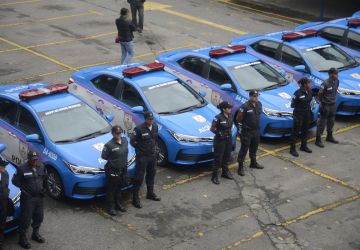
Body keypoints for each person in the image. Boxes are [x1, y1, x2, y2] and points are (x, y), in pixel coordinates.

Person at [13, 151, 47, 249]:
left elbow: (44, 178)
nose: (35, 162)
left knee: (39, 217)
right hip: (28, 198)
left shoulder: (41, 166)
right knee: (25, 220)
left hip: (39, 198)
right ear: (29, 159)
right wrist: (24, 189)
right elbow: (15, 181)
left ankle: (35, 234)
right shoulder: (21, 168)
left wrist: (44, 189)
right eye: (33, 160)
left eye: (36, 159)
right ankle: (22, 239)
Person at [130, 112, 160, 209]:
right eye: (149, 119)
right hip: (142, 157)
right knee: (139, 178)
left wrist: (155, 149)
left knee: (151, 175)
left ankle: (150, 193)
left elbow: (155, 139)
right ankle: (135, 199)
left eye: (152, 119)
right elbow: (132, 141)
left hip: (152, 155)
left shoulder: (155, 127)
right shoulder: (138, 129)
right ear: (145, 119)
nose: (151, 121)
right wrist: (140, 149)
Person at [101, 125, 129, 216]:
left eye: (120, 133)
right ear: (113, 134)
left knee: (119, 188)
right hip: (112, 170)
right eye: (117, 133)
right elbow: (104, 156)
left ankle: (118, 204)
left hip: (123, 169)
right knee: (111, 190)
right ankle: (110, 207)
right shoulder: (109, 145)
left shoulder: (125, 141)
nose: (119, 135)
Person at [236, 90, 264, 176]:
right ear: (250, 97)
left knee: (254, 147)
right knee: (244, 149)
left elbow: (259, 114)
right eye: (254, 96)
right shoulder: (244, 106)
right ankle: (240, 166)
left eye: (257, 96)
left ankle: (253, 162)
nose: (256, 98)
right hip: (247, 131)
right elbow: (238, 119)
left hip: (256, 131)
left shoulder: (259, 104)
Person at [210, 101, 234, 185]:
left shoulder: (230, 116)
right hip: (220, 141)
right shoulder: (218, 117)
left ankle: (225, 172)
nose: (230, 109)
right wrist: (220, 133)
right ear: (224, 109)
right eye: (228, 108)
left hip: (228, 139)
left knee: (227, 156)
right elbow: (212, 129)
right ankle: (214, 176)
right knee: (218, 159)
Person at [315, 68, 339, 148]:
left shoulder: (336, 81)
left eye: (337, 74)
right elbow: (320, 95)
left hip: (333, 104)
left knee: (331, 121)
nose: (336, 75)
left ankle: (329, 136)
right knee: (322, 122)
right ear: (331, 74)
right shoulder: (325, 84)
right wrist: (322, 104)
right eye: (335, 74)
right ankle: (318, 139)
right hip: (325, 105)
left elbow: (335, 91)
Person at [289, 77, 313, 157]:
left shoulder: (309, 91)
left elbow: (311, 101)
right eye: (308, 83)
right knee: (295, 131)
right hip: (298, 114)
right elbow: (292, 104)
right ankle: (292, 149)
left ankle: (304, 146)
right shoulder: (297, 93)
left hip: (307, 113)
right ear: (304, 84)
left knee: (305, 130)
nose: (310, 84)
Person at [0, 158, 10, 250]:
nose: (5, 167)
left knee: (2, 223)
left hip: (3, 203)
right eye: (2, 165)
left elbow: (6, 187)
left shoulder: (5, 174)